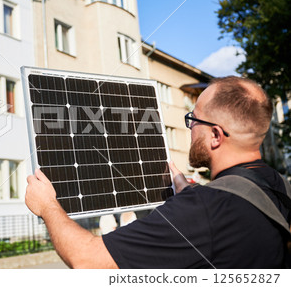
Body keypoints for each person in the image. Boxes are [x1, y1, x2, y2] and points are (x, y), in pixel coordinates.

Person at [25, 76, 291, 268]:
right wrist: (188, 191)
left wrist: (48, 205)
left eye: (194, 119)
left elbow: (87, 260)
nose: (190, 128)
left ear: (215, 136)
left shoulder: (202, 211)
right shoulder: (280, 187)